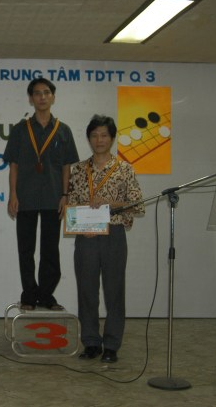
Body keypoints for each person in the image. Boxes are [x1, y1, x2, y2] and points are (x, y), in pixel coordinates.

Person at [68, 115, 144, 364]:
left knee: (114, 291)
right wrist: (82, 226)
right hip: (86, 237)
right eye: (94, 135)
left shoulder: (124, 169)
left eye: (103, 135)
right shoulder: (78, 170)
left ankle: (111, 344)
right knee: (86, 291)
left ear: (111, 138)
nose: (99, 140)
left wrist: (109, 203)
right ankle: (91, 342)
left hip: (114, 235)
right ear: (88, 138)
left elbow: (137, 204)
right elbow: (72, 205)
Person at [3, 77, 79, 311]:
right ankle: (28, 295)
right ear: (31, 99)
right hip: (25, 196)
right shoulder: (20, 129)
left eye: (46, 92)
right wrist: (12, 194)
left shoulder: (63, 130)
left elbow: (66, 166)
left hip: (53, 197)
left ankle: (46, 295)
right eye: (37, 93)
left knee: (50, 249)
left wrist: (65, 195)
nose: (42, 97)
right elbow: (13, 165)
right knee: (25, 249)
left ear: (53, 97)